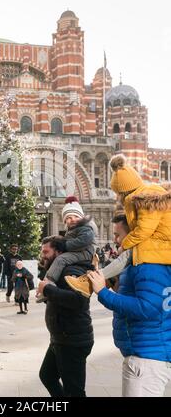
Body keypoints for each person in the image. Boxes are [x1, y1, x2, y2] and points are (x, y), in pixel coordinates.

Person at [87, 214, 171, 397]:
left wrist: (103, 292)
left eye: (118, 235)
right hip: (144, 354)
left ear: (134, 233)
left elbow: (147, 307)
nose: (115, 240)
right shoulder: (140, 261)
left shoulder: (149, 264)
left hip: (146, 359)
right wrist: (114, 285)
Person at [65, 156, 171, 296]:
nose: (118, 197)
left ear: (124, 191)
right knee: (129, 253)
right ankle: (99, 281)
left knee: (130, 252)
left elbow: (143, 231)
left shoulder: (146, 199)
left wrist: (124, 245)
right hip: (160, 241)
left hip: (165, 243)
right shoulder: (145, 194)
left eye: (118, 193)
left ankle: (90, 282)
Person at [38, 236, 94, 397]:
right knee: (47, 376)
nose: (43, 255)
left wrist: (48, 290)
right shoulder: (58, 270)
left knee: (74, 391)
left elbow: (79, 300)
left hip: (72, 340)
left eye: (46, 252)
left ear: (59, 252)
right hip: (60, 337)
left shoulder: (71, 270)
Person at [36, 196, 97, 302]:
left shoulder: (85, 227)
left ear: (81, 217)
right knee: (61, 259)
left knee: (61, 259)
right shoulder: (72, 229)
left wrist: (65, 246)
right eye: (68, 217)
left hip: (85, 252)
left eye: (75, 216)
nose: (72, 219)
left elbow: (84, 240)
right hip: (79, 251)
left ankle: (49, 282)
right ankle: (47, 285)